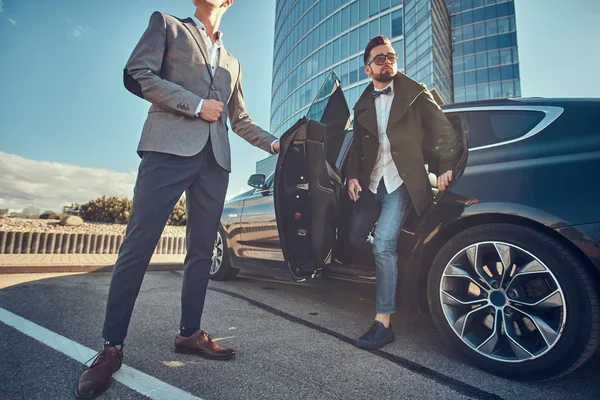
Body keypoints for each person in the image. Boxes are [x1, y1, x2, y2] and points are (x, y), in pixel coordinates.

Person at [76, 1, 279, 398]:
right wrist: (195, 104)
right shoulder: (167, 25)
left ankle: (189, 334)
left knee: (202, 252)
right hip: (167, 149)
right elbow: (137, 73)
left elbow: (239, 119)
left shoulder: (233, 61)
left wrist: (274, 143)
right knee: (138, 245)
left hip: (215, 161)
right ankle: (110, 348)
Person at [346, 35, 459, 350]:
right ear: (368, 68)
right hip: (371, 184)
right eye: (380, 58)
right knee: (356, 237)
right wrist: (353, 177)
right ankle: (393, 263)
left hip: (402, 182)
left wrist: (446, 164)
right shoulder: (362, 104)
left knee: (382, 244)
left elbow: (443, 129)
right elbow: (356, 148)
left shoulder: (415, 93)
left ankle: (383, 323)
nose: (387, 62)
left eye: (391, 56)